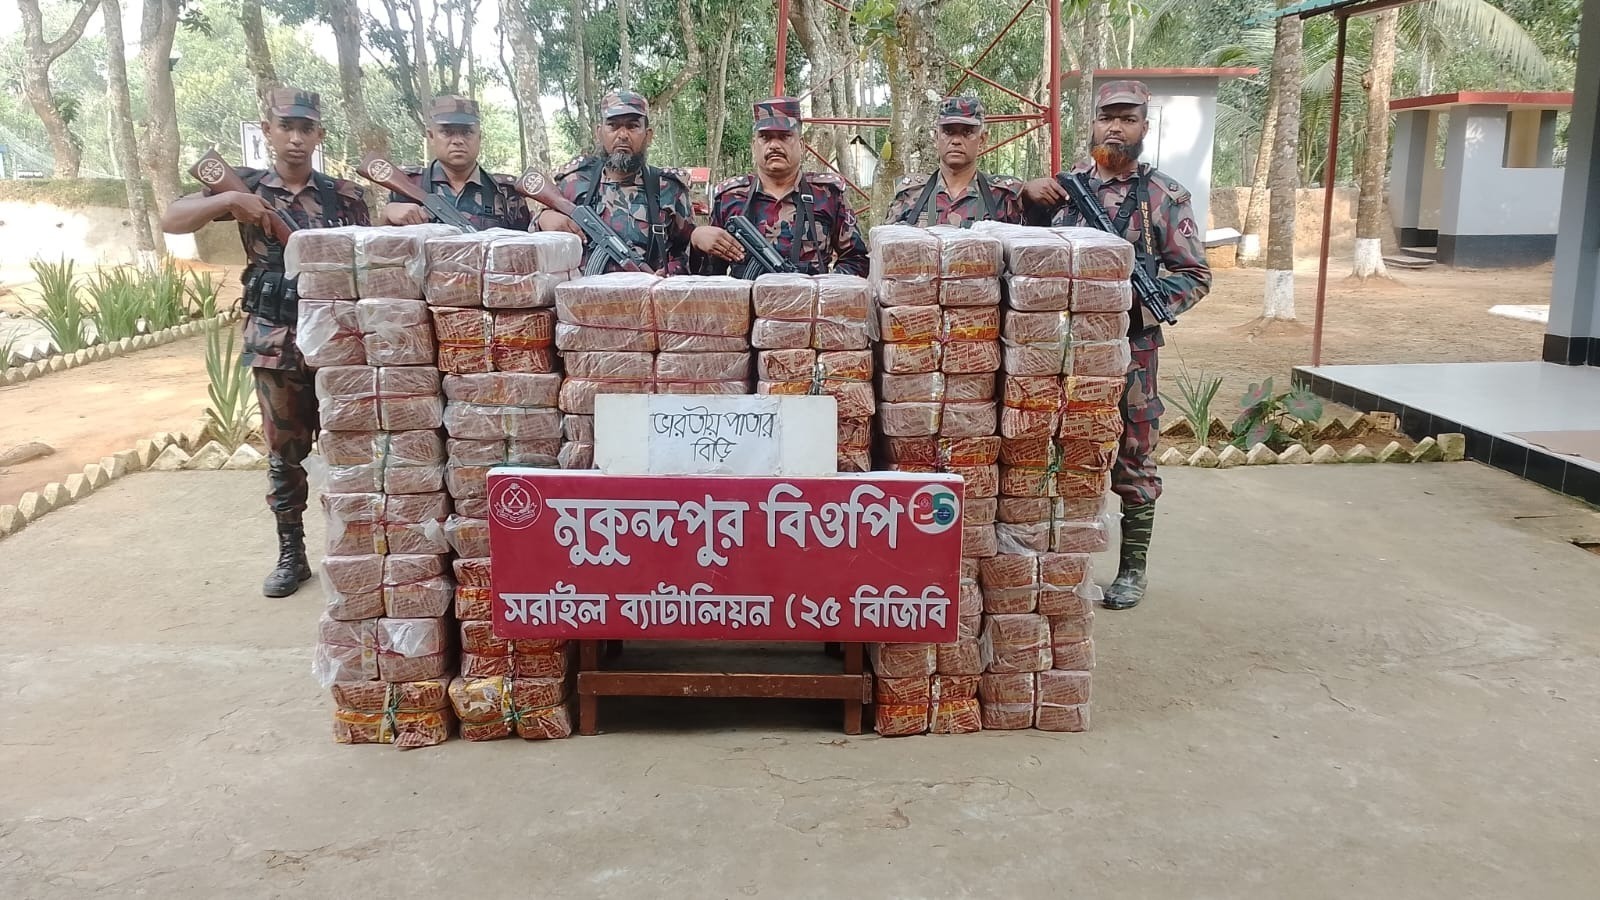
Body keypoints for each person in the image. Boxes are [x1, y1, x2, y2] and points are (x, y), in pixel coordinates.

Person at [161, 88, 369, 598]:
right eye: (286, 127)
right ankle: (291, 553)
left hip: (338, 341)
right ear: (267, 130)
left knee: (353, 448)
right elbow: (172, 218)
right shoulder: (247, 188)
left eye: (306, 129)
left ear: (319, 135)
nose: (296, 138)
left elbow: (367, 258)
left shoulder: (343, 195)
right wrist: (228, 200)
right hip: (276, 339)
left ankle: (356, 552)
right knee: (284, 454)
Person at [1020, 80, 1211, 612]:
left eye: (1128, 119)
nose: (1116, 128)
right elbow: (1023, 253)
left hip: (1131, 351)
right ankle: (1056, 565)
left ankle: (1131, 569)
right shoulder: (1061, 190)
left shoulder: (1163, 196)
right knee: (1056, 452)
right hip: (1060, 353)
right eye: (1108, 118)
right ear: (1093, 123)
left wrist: (1130, 308)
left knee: (1132, 456)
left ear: (1144, 127)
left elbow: (1195, 275)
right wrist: (1029, 201)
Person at [691, 97, 869, 277]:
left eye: (785, 136)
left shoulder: (827, 195)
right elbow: (709, 276)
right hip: (746, 295)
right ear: (754, 146)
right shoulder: (730, 197)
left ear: (801, 145)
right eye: (765, 137)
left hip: (810, 294)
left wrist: (824, 288)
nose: (774, 145)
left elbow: (857, 260)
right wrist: (696, 242)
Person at [535, 89, 694, 273]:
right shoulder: (574, 181)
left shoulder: (668, 189)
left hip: (644, 289)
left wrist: (668, 273)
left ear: (648, 135)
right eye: (613, 126)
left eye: (633, 126)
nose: (623, 135)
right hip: (580, 289)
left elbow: (688, 251)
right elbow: (534, 241)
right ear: (599, 133)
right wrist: (543, 220)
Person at [382, 95, 532, 231]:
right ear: (431, 136)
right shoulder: (408, 185)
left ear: (479, 137)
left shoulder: (506, 192)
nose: (458, 141)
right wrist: (387, 216)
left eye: (467, 132)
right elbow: (381, 245)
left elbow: (526, 247)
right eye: (447, 132)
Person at [885, 96, 1024, 227]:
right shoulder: (910, 195)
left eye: (967, 132)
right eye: (948, 132)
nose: (956, 141)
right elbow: (885, 242)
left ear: (982, 140)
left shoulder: (1003, 198)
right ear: (936, 138)